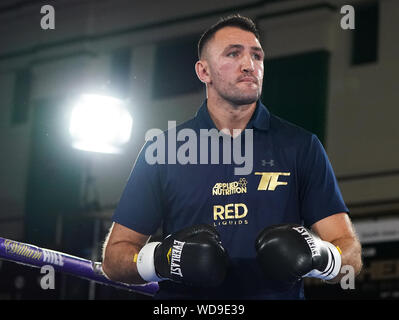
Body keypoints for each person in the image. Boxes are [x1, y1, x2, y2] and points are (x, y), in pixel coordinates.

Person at [102, 14, 362, 300]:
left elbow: (350, 253)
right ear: (204, 72)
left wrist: (320, 256)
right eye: (233, 54)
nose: (249, 65)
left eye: (257, 56)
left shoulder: (300, 146)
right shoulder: (162, 151)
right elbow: (114, 260)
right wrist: (163, 259)